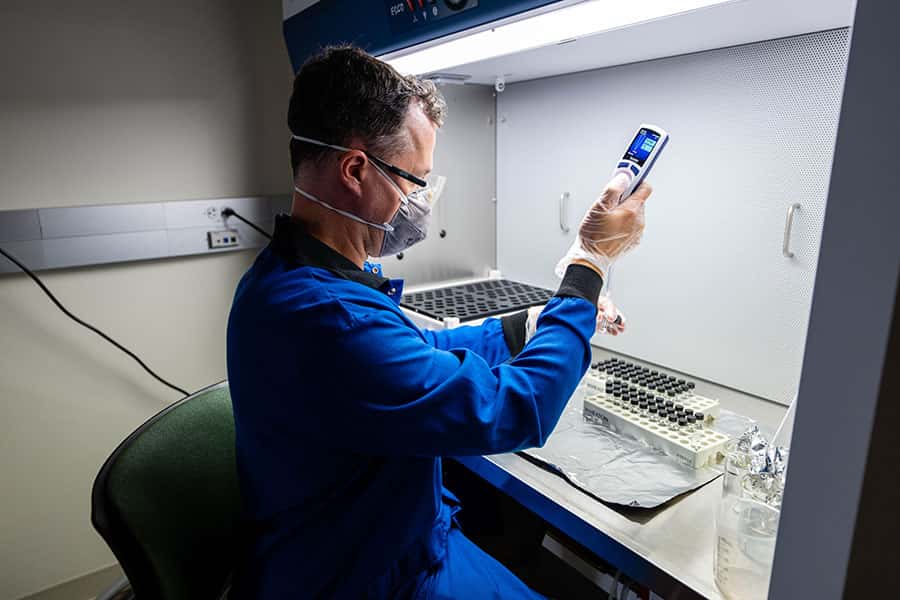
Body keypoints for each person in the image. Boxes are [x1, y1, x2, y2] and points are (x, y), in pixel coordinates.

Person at [226, 46, 651, 599]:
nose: (420, 201)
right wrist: (589, 264)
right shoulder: (329, 320)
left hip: (379, 539)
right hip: (368, 577)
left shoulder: (290, 274)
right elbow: (518, 407)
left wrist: (527, 323)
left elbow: (414, 348)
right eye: (414, 180)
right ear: (355, 170)